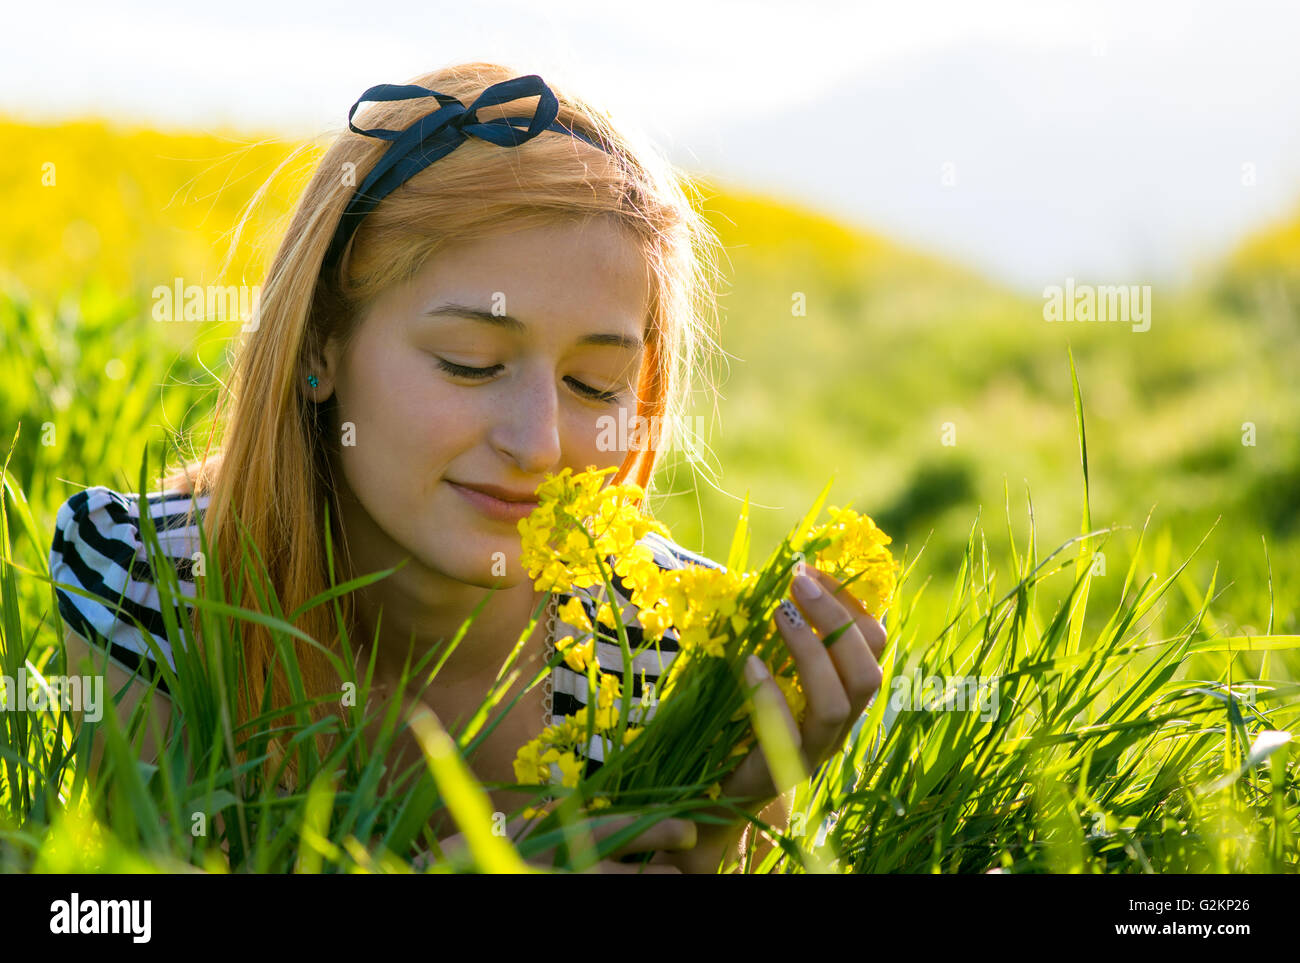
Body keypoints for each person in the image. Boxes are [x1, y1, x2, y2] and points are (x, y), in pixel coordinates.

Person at [48, 62, 888, 873]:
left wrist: (712, 833)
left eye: (595, 384)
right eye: (470, 362)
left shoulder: (681, 665)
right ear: (318, 346)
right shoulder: (146, 584)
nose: (538, 442)